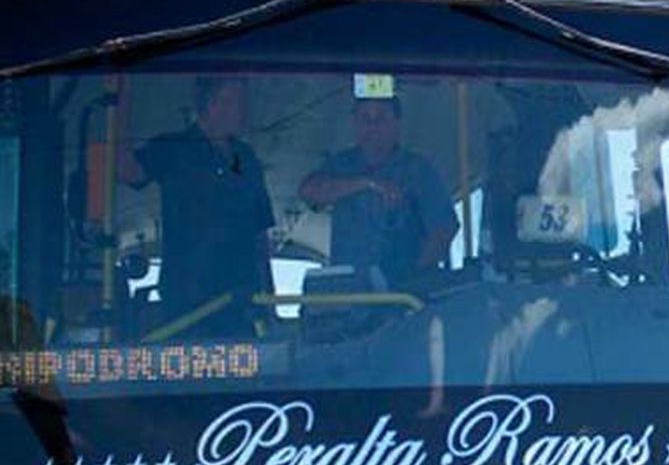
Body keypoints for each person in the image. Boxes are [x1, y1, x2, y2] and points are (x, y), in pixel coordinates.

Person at [118, 76, 275, 336]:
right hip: (187, 302)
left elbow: (260, 234)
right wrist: (120, 100)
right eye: (236, 101)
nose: (243, 110)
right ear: (212, 104)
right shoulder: (174, 149)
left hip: (239, 299)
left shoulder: (245, 157)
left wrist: (268, 300)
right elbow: (128, 171)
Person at [298, 96, 458, 287]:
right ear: (354, 123)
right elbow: (308, 192)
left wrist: (412, 277)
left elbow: (444, 230)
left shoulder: (419, 170)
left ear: (397, 124)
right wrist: (367, 183)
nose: (372, 127)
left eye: (380, 118)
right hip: (349, 295)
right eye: (365, 119)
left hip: (404, 300)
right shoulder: (341, 165)